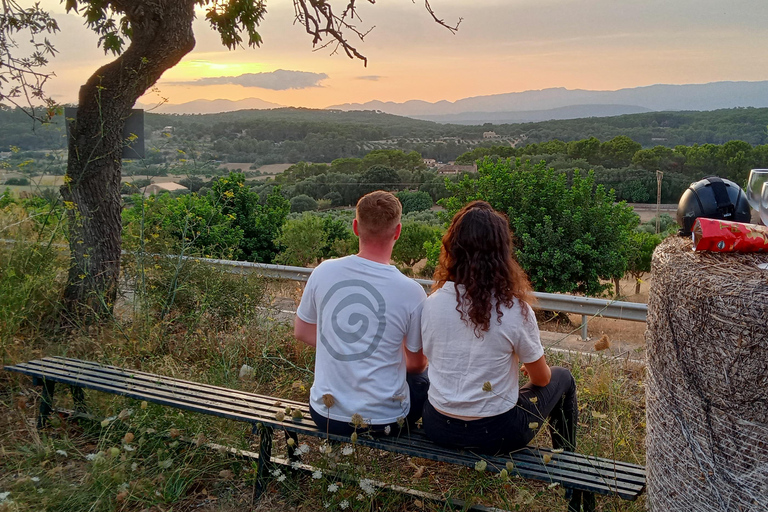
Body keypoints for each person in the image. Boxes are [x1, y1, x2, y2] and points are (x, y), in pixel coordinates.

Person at [419, 201, 577, 454]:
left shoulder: (430, 304)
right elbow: (542, 378)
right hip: (498, 433)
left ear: (452, 248)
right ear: (502, 252)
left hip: (438, 427)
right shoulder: (514, 310)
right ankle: (570, 466)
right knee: (563, 378)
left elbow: (429, 359)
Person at [294, 190, 429, 436]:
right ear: (398, 232)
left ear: (355, 227)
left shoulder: (324, 271)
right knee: (424, 379)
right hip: (386, 423)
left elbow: (301, 331)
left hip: (325, 415)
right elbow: (417, 365)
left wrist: (347, 342)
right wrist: (383, 350)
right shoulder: (412, 292)